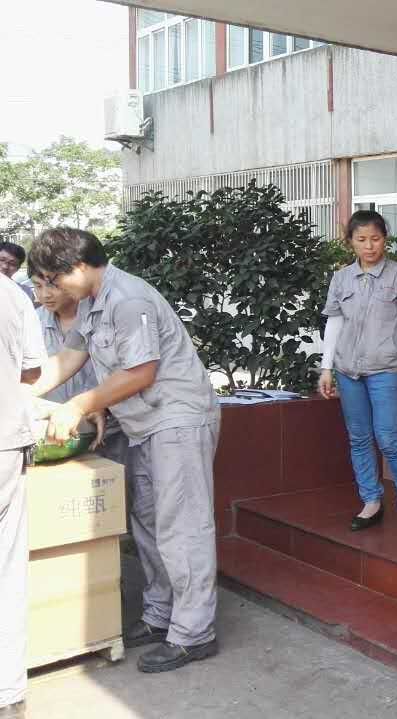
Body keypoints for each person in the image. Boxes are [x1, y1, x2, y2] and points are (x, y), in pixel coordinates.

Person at [24, 227, 222, 674]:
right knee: (148, 522)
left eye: (54, 279)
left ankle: (194, 633)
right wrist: (17, 397)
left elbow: (140, 372)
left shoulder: (128, 299)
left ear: (78, 267)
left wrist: (78, 405)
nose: (51, 289)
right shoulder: (92, 301)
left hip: (175, 420)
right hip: (143, 425)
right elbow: (68, 359)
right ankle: (160, 615)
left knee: (182, 527)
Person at [317, 210, 397, 538]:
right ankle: (371, 501)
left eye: (375, 239)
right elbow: (334, 322)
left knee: (388, 438)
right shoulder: (341, 278)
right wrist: (326, 368)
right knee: (359, 438)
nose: (369, 246)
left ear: (385, 240)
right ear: (350, 242)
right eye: (361, 239)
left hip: (386, 369)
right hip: (348, 370)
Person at [0, 273, 46, 719]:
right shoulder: (10, 294)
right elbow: (32, 371)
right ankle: (9, 693)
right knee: (8, 570)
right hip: (5, 443)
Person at [30, 274, 129, 466]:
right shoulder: (30, 322)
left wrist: (97, 406)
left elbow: (131, 372)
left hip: (109, 429)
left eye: (53, 286)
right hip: (56, 434)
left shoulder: (102, 318)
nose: (45, 294)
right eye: (38, 286)